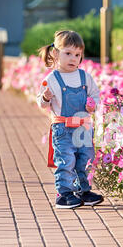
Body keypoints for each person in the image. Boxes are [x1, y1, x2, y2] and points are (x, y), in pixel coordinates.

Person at [36, 30, 103, 209]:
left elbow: (95, 96)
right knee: (66, 160)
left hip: (84, 128)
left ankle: (84, 190)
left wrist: (92, 105)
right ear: (56, 54)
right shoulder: (52, 79)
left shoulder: (85, 77)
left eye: (77, 55)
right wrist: (46, 97)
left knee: (85, 159)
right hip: (63, 129)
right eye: (68, 54)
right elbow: (41, 104)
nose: (73, 58)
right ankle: (64, 193)